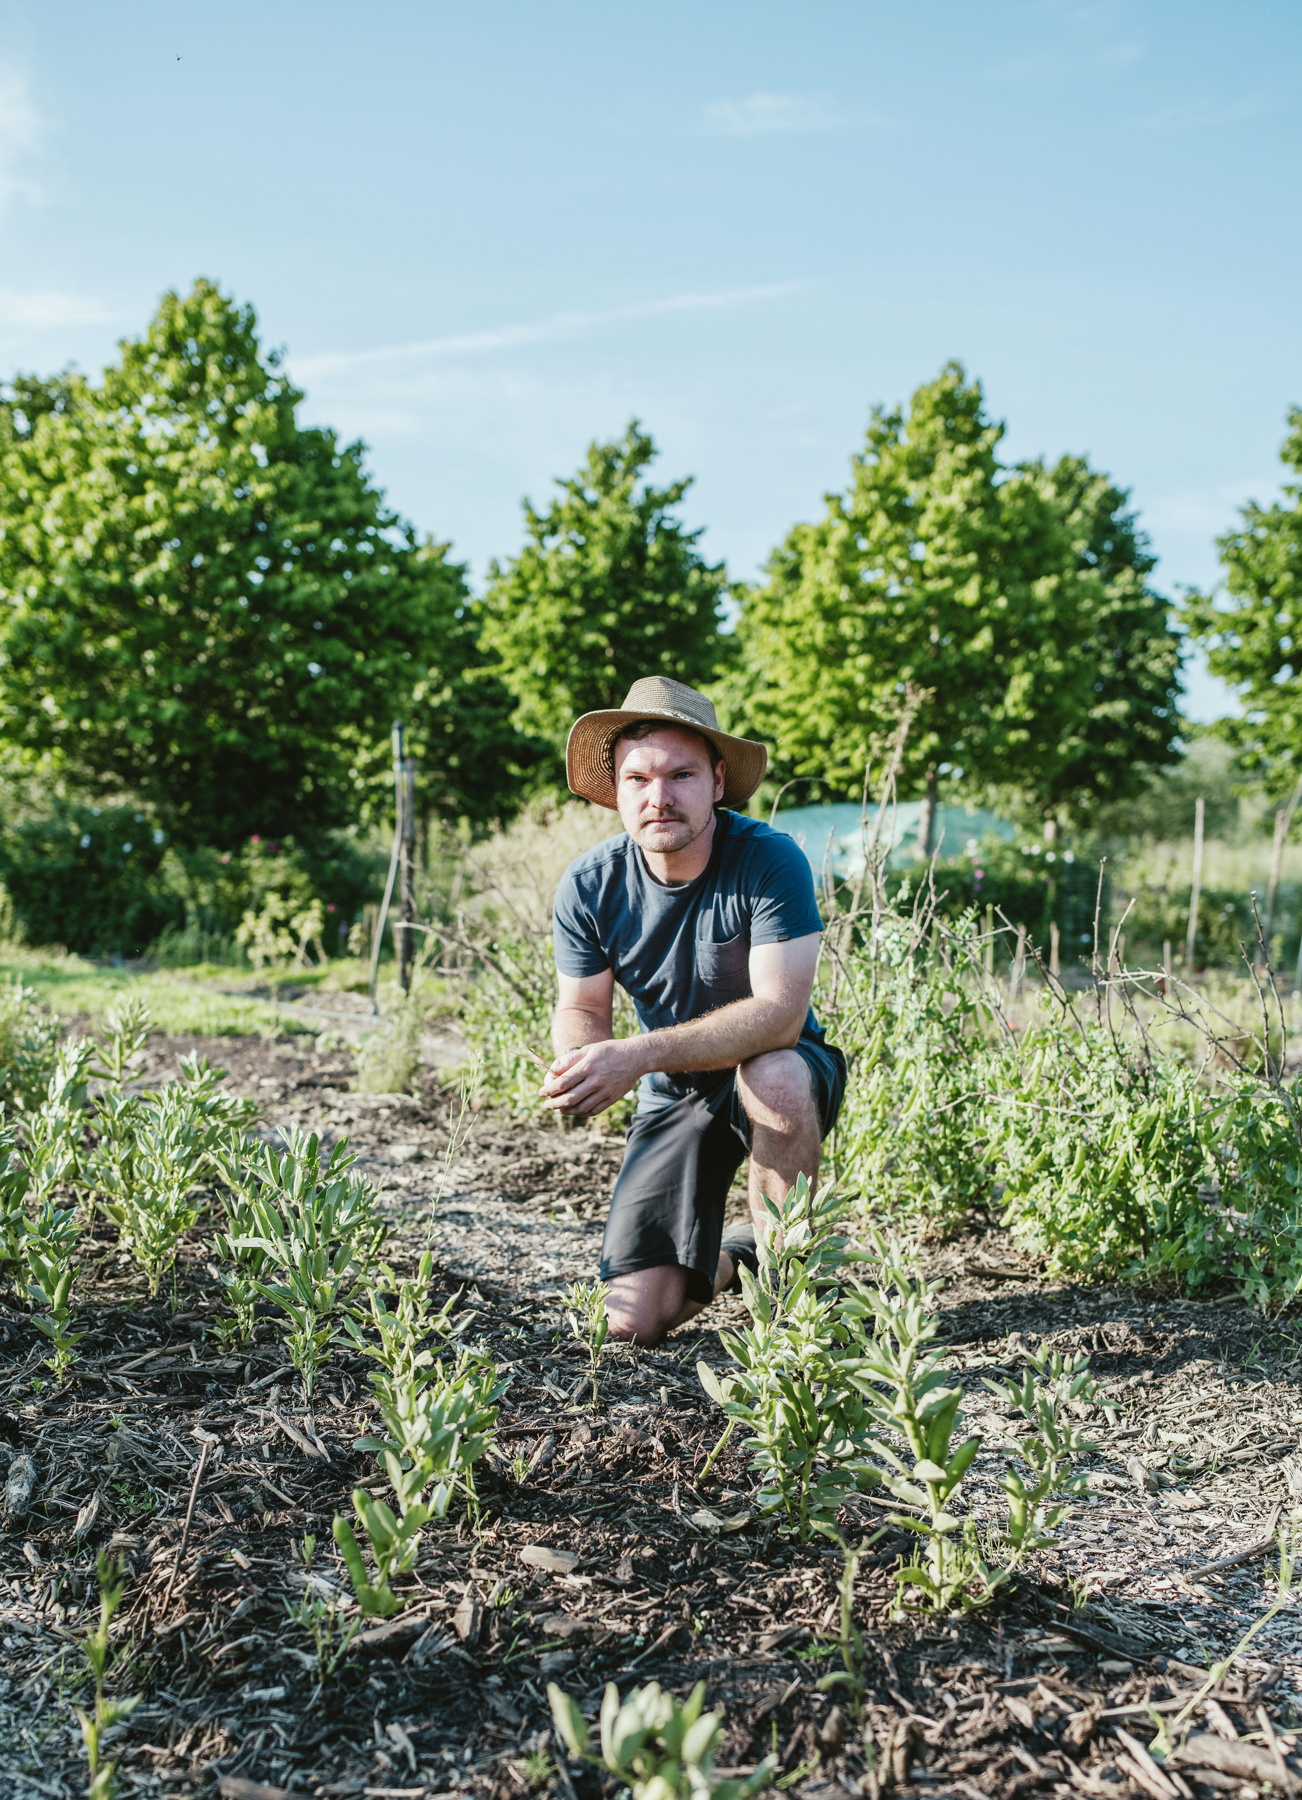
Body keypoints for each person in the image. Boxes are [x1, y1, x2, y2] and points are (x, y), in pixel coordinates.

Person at [542, 675, 847, 1344]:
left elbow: (779, 1018)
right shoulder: (590, 885)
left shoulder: (769, 861)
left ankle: (794, 1307)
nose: (659, 797)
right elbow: (581, 1006)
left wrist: (638, 1054)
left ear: (716, 781)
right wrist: (582, 1058)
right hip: (676, 1086)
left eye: (680, 775)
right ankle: (746, 1256)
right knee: (630, 1321)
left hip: (782, 1063)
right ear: (616, 791)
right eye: (638, 779)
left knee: (774, 1074)